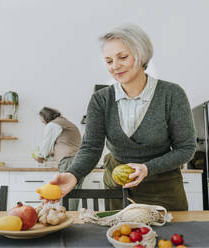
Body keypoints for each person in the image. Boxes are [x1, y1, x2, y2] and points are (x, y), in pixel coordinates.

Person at [45, 24, 196, 211]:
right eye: (108, 61)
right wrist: (73, 174)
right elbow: (91, 147)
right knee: (120, 236)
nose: (115, 66)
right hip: (117, 189)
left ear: (141, 55)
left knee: (168, 240)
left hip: (163, 189)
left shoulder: (171, 94)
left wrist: (148, 168)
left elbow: (186, 148)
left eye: (122, 57)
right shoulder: (101, 100)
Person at [34, 107, 83, 210]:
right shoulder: (66, 123)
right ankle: (71, 218)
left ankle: (68, 218)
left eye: (41, 119)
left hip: (69, 161)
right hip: (78, 160)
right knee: (74, 192)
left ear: (46, 116)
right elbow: (67, 143)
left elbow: (46, 145)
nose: (42, 122)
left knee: (67, 192)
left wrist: (41, 156)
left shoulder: (53, 124)